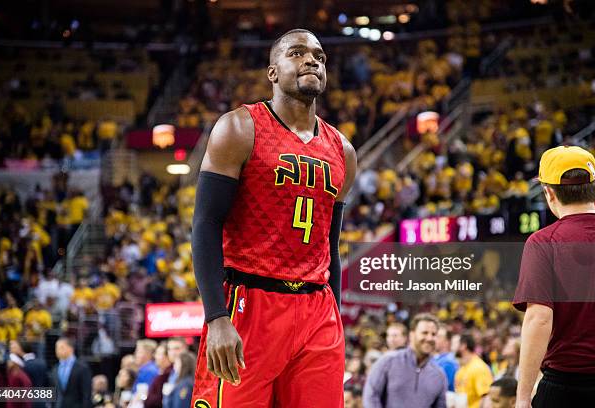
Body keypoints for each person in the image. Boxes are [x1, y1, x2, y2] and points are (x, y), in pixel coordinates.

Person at [191, 28, 357, 407]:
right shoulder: (239, 127)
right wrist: (216, 316)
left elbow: (330, 243)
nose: (312, 60)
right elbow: (205, 225)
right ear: (273, 71)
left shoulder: (343, 151)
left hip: (317, 310)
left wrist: (336, 312)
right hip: (249, 303)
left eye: (319, 55)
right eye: (297, 53)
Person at [512, 146, 595, 408]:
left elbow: (539, 318)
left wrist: (523, 396)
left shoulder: (543, 242)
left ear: (548, 192)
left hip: (567, 386)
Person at [362, 313, 447, 407]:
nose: (429, 338)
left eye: (434, 334)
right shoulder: (388, 362)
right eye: (425, 333)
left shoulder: (439, 375)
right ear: (412, 335)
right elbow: (371, 396)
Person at [51, 337, 92, 408]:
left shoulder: (82, 368)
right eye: (56, 348)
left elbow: (86, 393)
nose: (57, 350)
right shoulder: (55, 369)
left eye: (61, 347)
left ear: (71, 349)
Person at [454, 333, 493, 408]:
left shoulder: (479, 368)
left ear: (463, 345)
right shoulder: (462, 368)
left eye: (455, 343)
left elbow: (486, 397)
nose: (452, 346)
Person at [10, 340, 48, 408]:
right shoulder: (42, 363)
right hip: (42, 401)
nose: (11, 350)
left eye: (13, 347)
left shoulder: (22, 366)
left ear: (20, 348)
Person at [433, 325, 459, 392]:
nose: (434, 339)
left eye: (439, 337)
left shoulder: (448, 362)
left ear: (447, 342)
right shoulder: (436, 359)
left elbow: (439, 388)